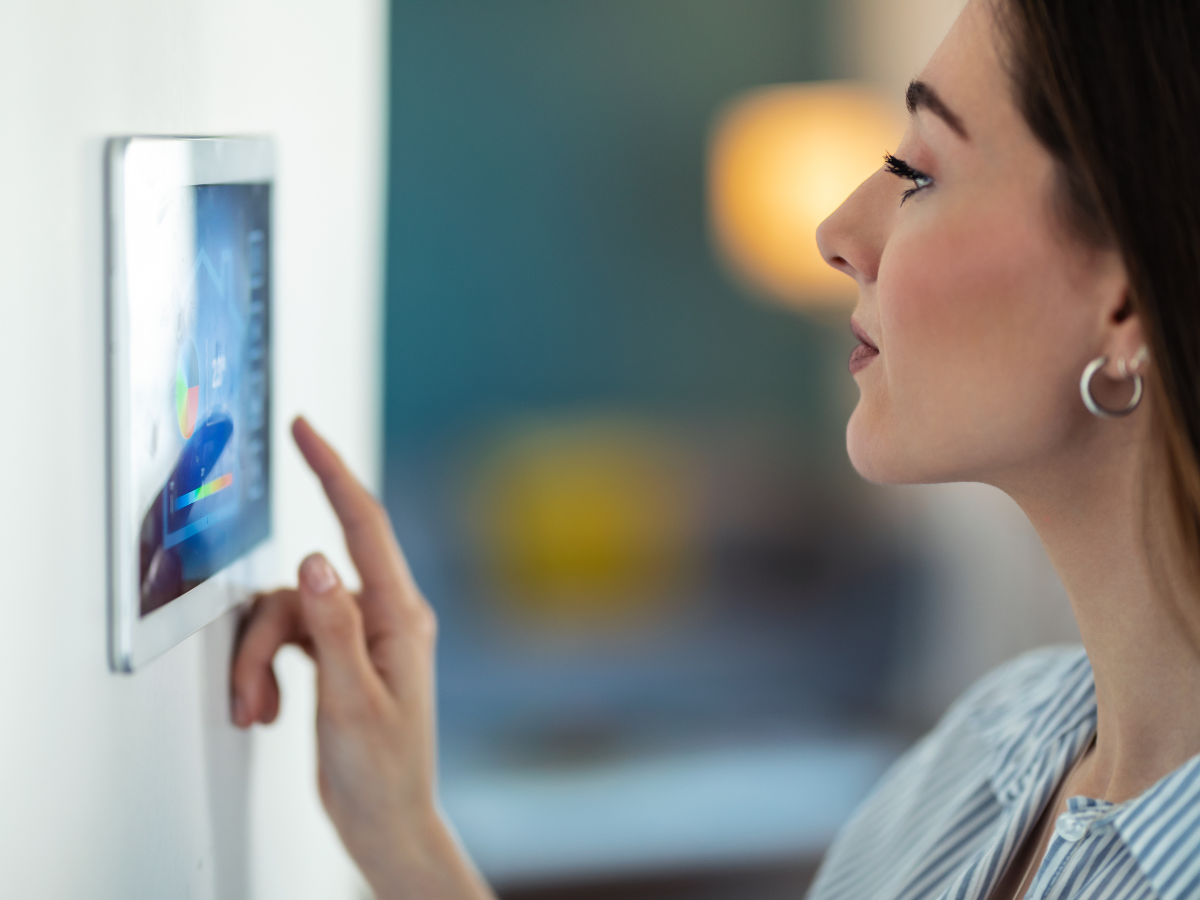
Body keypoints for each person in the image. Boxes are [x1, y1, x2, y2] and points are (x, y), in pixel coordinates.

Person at [230, 0, 1200, 896]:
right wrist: (403, 829)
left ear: (1121, 303)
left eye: (918, 173)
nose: (835, 230)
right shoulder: (987, 747)